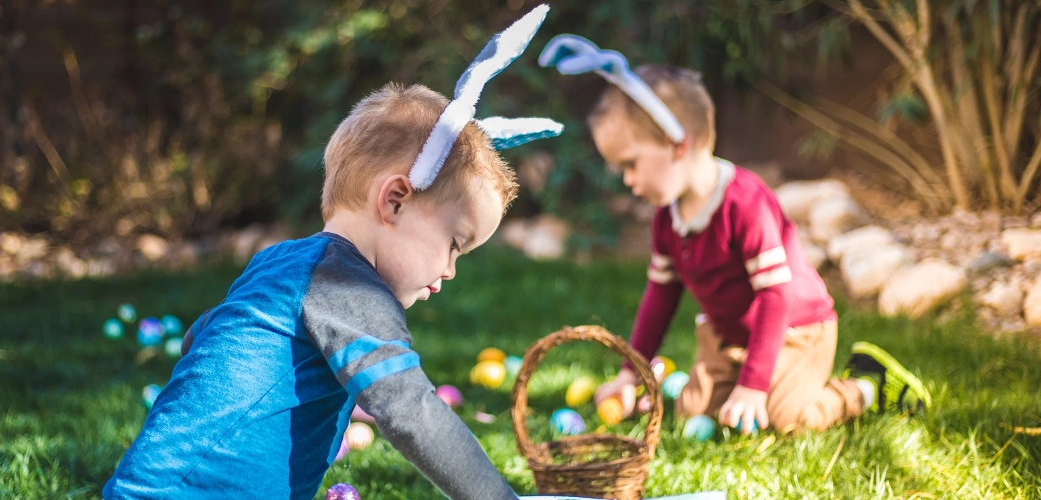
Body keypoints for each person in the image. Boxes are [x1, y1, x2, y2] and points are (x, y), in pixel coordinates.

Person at [103, 7, 562, 499]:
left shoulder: (281, 262)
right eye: (454, 244)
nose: (451, 270)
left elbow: (202, 338)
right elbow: (410, 412)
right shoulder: (348, 285)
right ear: (395, 200)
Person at [538, 35, 931, 435]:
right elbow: (660, 297)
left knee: (787, 419)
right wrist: (630, 372)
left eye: (630, 164)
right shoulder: (667, 218)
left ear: (676, 145)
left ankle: (866, 385)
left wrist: (753, 387)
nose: (627, 180)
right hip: (728, 337)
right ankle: (716, 382)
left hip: (795, 329)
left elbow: (776, 296)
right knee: (693, 413)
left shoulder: (745, 203)